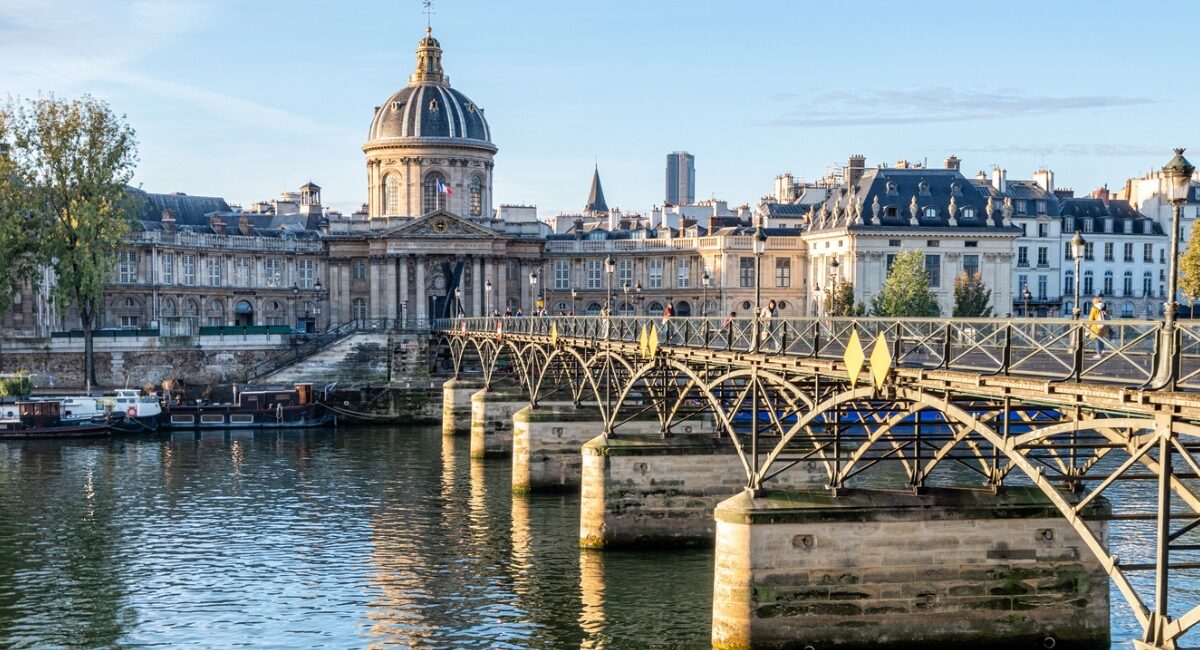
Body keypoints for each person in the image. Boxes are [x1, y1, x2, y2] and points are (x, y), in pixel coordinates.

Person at [1087, 294, 1109, 359]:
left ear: (1095, 302)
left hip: (1096, 326)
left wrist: (1087, 327)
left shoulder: (1094, 308)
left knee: (1096, 340)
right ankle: (1103, 351)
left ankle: (1098, 354)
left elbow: (1091, 319)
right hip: (1103, 326)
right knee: (1101, 339)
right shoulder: (1104, 307)